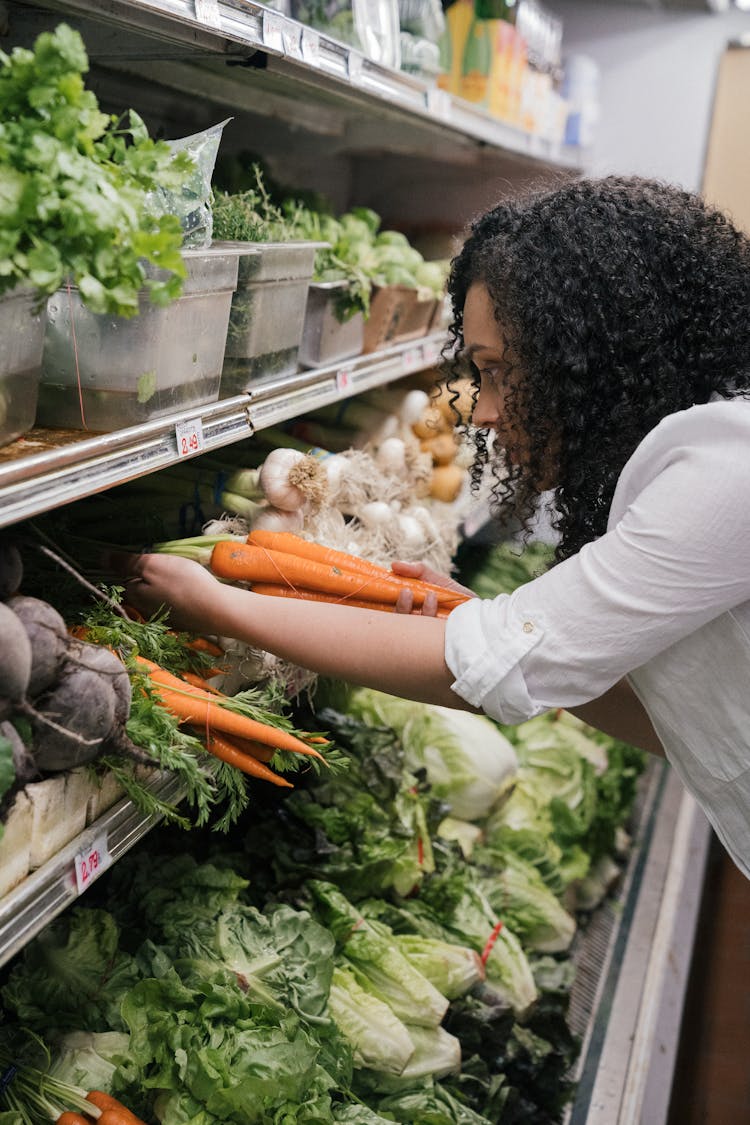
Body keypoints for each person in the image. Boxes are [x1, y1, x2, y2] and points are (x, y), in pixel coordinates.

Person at [121, 175, 750, 878]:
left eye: (497, 372)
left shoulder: (728, 470)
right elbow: (680, 723)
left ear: (593, 361)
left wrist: (223, 604)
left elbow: (496, 670)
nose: (479, 411)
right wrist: (482, 616)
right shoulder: (710, 456)